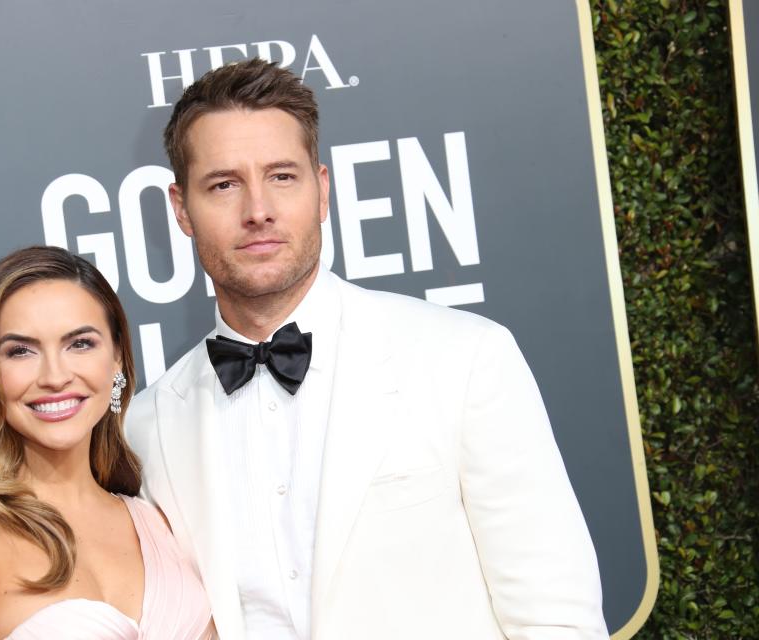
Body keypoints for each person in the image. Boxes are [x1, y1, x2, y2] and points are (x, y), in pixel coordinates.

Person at [125, 58, 609, 639]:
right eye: (224, 184)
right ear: (181, 208)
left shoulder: (465, 358)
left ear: (322, 189)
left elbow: (557, 617)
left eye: (282, 176)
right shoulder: (149, 423)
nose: (258, 210)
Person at [0, 246, 213, 639]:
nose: (54, 375)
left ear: (117, 358)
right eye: (21, 351)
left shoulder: (162, 523)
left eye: (79, 343)